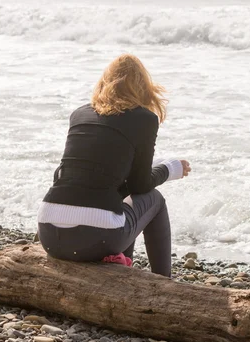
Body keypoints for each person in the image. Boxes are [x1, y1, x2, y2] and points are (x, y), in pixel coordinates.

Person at [37, 54, 190, 277]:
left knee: (118, 203)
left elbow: (71, 174)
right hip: (98, 237)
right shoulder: (145, 119)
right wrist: (170, 169)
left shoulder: (80, 114)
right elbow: (140, 185)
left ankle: (121, 265)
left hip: (49, 234)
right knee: (155, 200)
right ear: (143, 87)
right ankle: (164, 282)